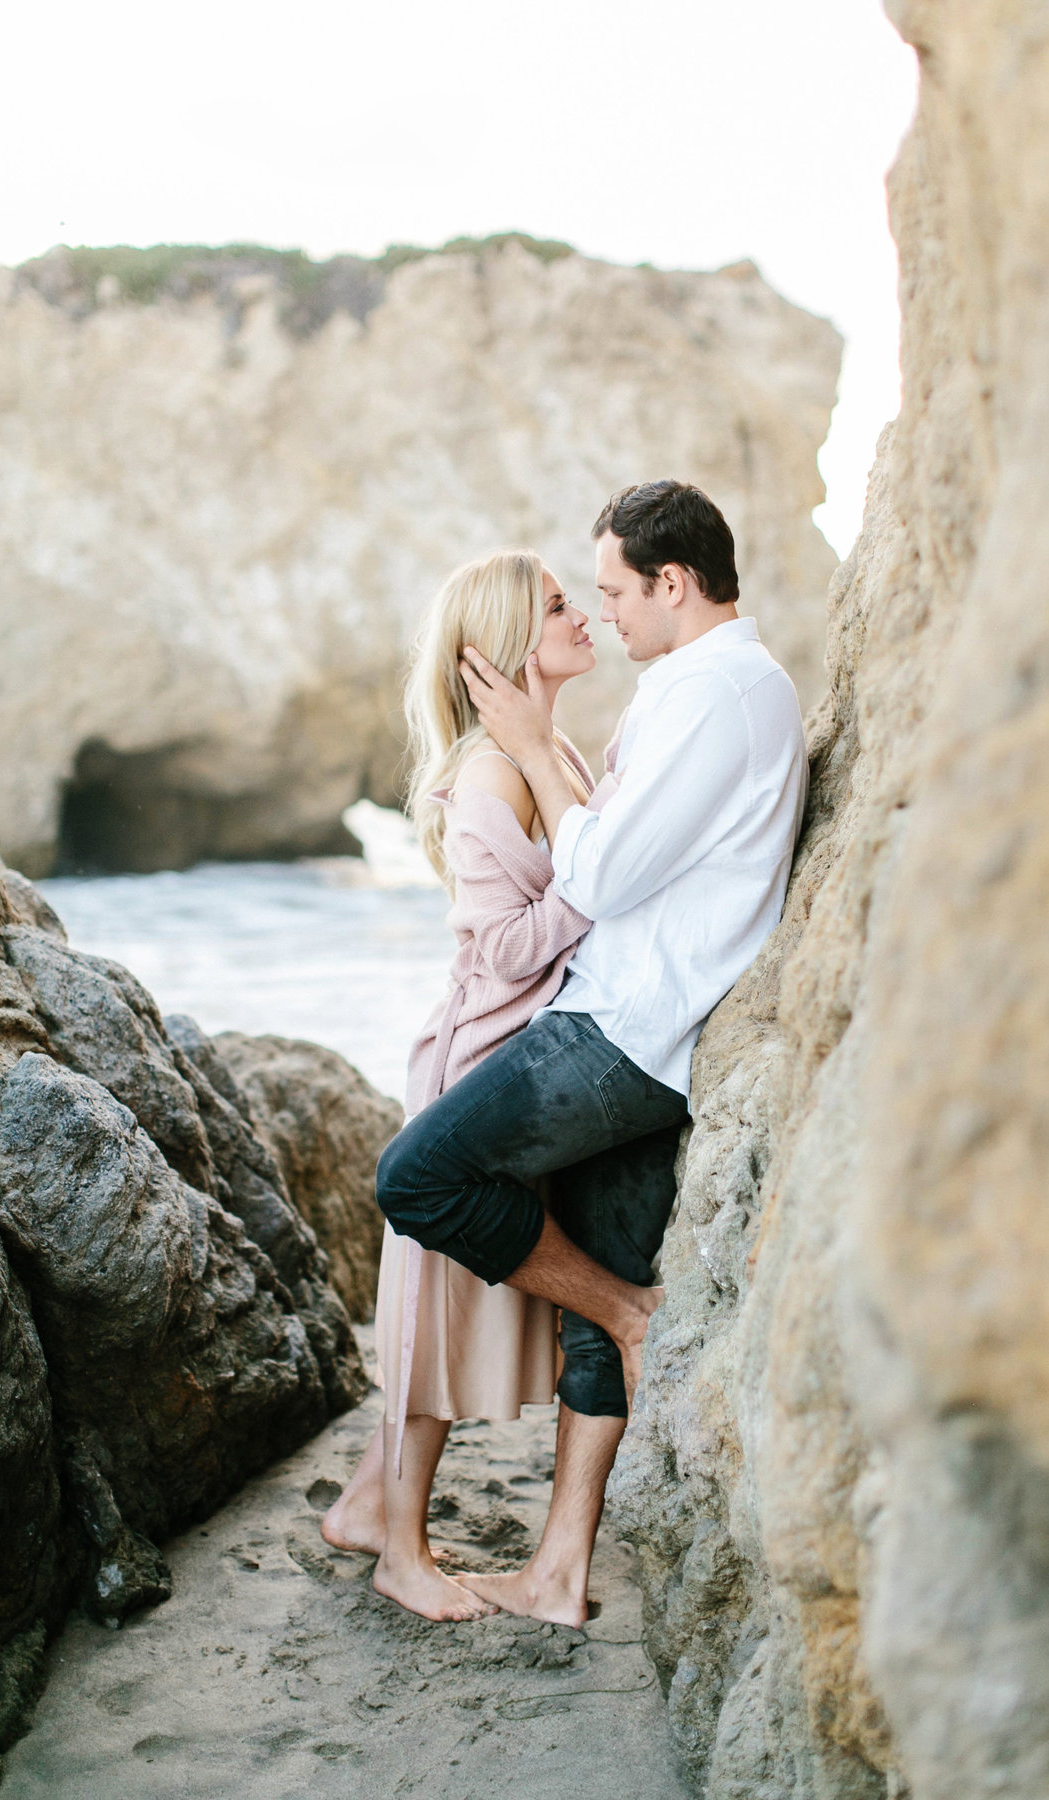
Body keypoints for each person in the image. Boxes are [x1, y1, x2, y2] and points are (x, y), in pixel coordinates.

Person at [377, 480, 809, 1625]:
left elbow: (602, 876)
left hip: (620, 1030)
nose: (607, 615)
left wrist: (528, 737)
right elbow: (604, 854)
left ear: (673, 583)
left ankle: (623, 1309)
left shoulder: (718, 694)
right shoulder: (696, 691)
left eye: (615, 591)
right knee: (589, 1303)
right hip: (647, 1030)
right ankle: (558, 1570)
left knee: (416, 1178)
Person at [321, 547, 601, 1622]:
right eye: (559, 607)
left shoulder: (542, 746)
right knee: (435, 1322)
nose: (582, 617)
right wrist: (598, 885)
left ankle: (359, 1505)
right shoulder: (491, 771)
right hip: (477, 1074)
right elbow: (505, 946)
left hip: (514, 1065)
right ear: (502, 647)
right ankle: (401, 1551)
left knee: (446, 1308)